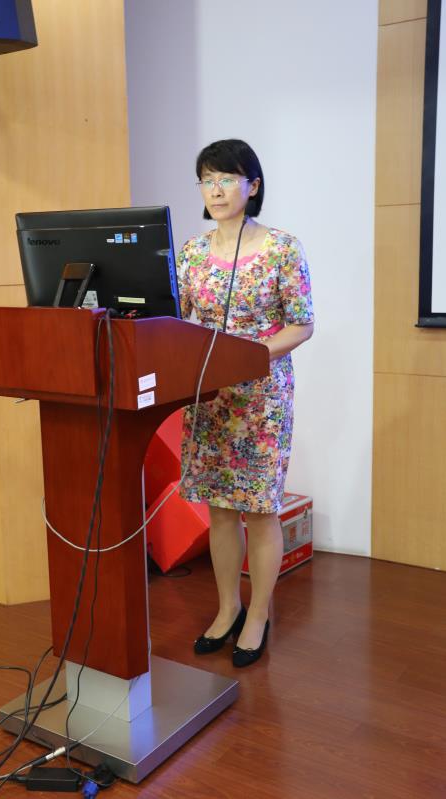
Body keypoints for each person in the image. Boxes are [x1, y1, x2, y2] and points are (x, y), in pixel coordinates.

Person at [177, 139, 314, 667]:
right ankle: (227, 608)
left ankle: (258, 615)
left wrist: (248, 356)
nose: (215, 190)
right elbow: (177, 320)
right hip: (210, 397)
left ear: (252, 186)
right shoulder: (192, 252)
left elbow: (301, 325)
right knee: (219, 509)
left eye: (226, 179)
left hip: (262, 398)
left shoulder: (282, 248)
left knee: (258, 511)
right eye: (207, 180)